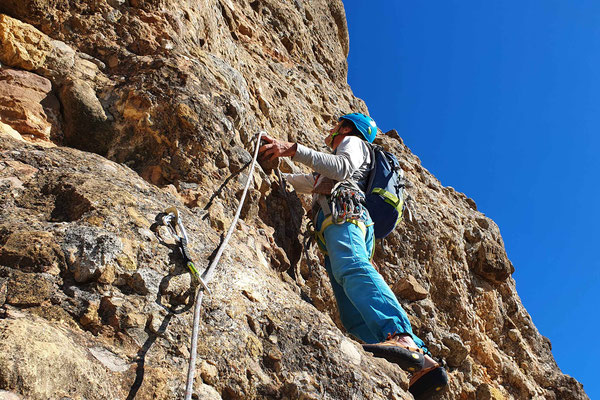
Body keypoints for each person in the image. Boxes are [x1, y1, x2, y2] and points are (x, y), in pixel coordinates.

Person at [259, 113, 448, 399]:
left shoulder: (352, 142)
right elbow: (309, 181)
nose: (332, 130)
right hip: (343, 220)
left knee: (352, 268)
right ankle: (420, 365)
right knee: (352, 316)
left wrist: (292, 149)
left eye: (337, 126)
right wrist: (272, 171)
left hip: (345, 215)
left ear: (347, 128)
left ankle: (401, 337)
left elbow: (342, 167)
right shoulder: (343, 159)